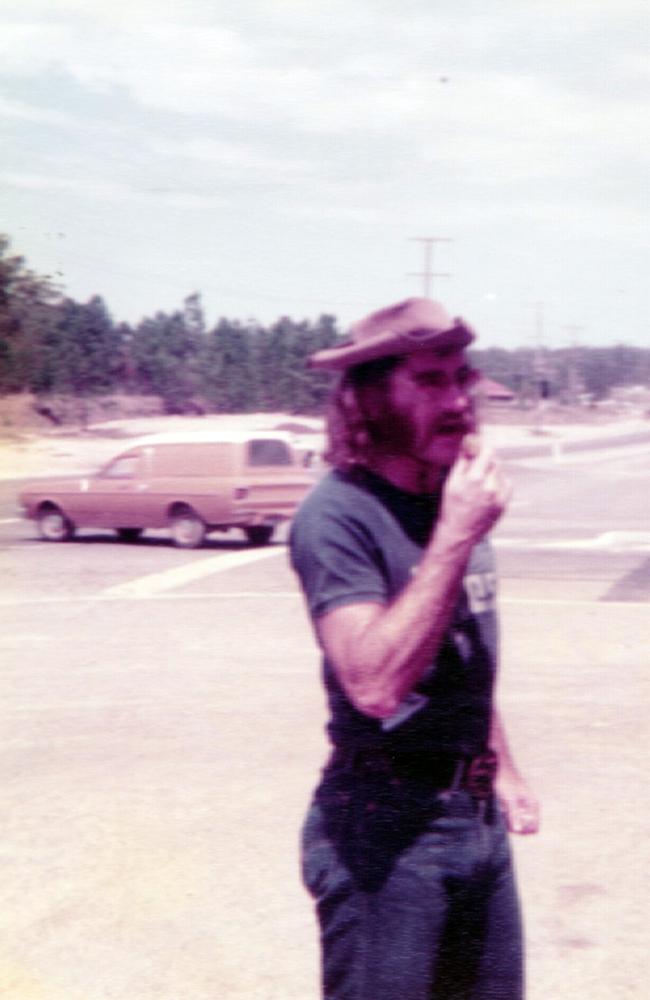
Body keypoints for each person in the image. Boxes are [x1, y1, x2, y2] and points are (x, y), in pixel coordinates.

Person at [289, 298, 539, 1000]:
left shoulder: (449, 501)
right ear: (369, 399)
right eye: (430, 381)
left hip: (474, 817)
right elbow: (374, 684)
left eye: (461, 377)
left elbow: (458, 654)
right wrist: (456, 535)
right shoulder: (337, 514)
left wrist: (504, 767)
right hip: (385, 827)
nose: (458, 399)